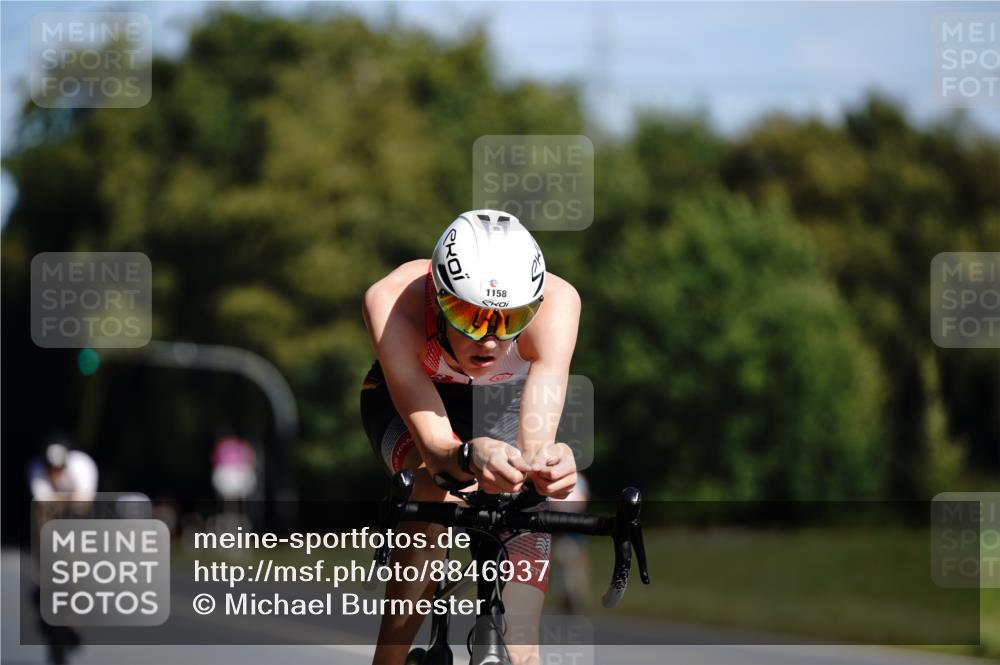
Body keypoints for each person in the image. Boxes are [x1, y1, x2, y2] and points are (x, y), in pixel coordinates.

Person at [361, 210, 581, 665]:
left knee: (526, 499)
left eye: (511, 318)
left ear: (533, 306)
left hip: (500, 403)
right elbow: (439, 449)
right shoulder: (392, 301)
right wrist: (465, 453)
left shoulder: (559, 303)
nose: (490, 339)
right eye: (468, 315)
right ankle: (388, 658)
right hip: (414, 402)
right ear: (439, 298)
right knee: (433, 486)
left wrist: (549, 464)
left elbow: (537, 441)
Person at [27, 437, 99, 665]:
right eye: (52, 469)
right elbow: (44, 503)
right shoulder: (36, 468)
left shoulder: (83, 465)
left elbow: (83, 503)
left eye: (60, 468)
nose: (56, 473)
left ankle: (70, 621)